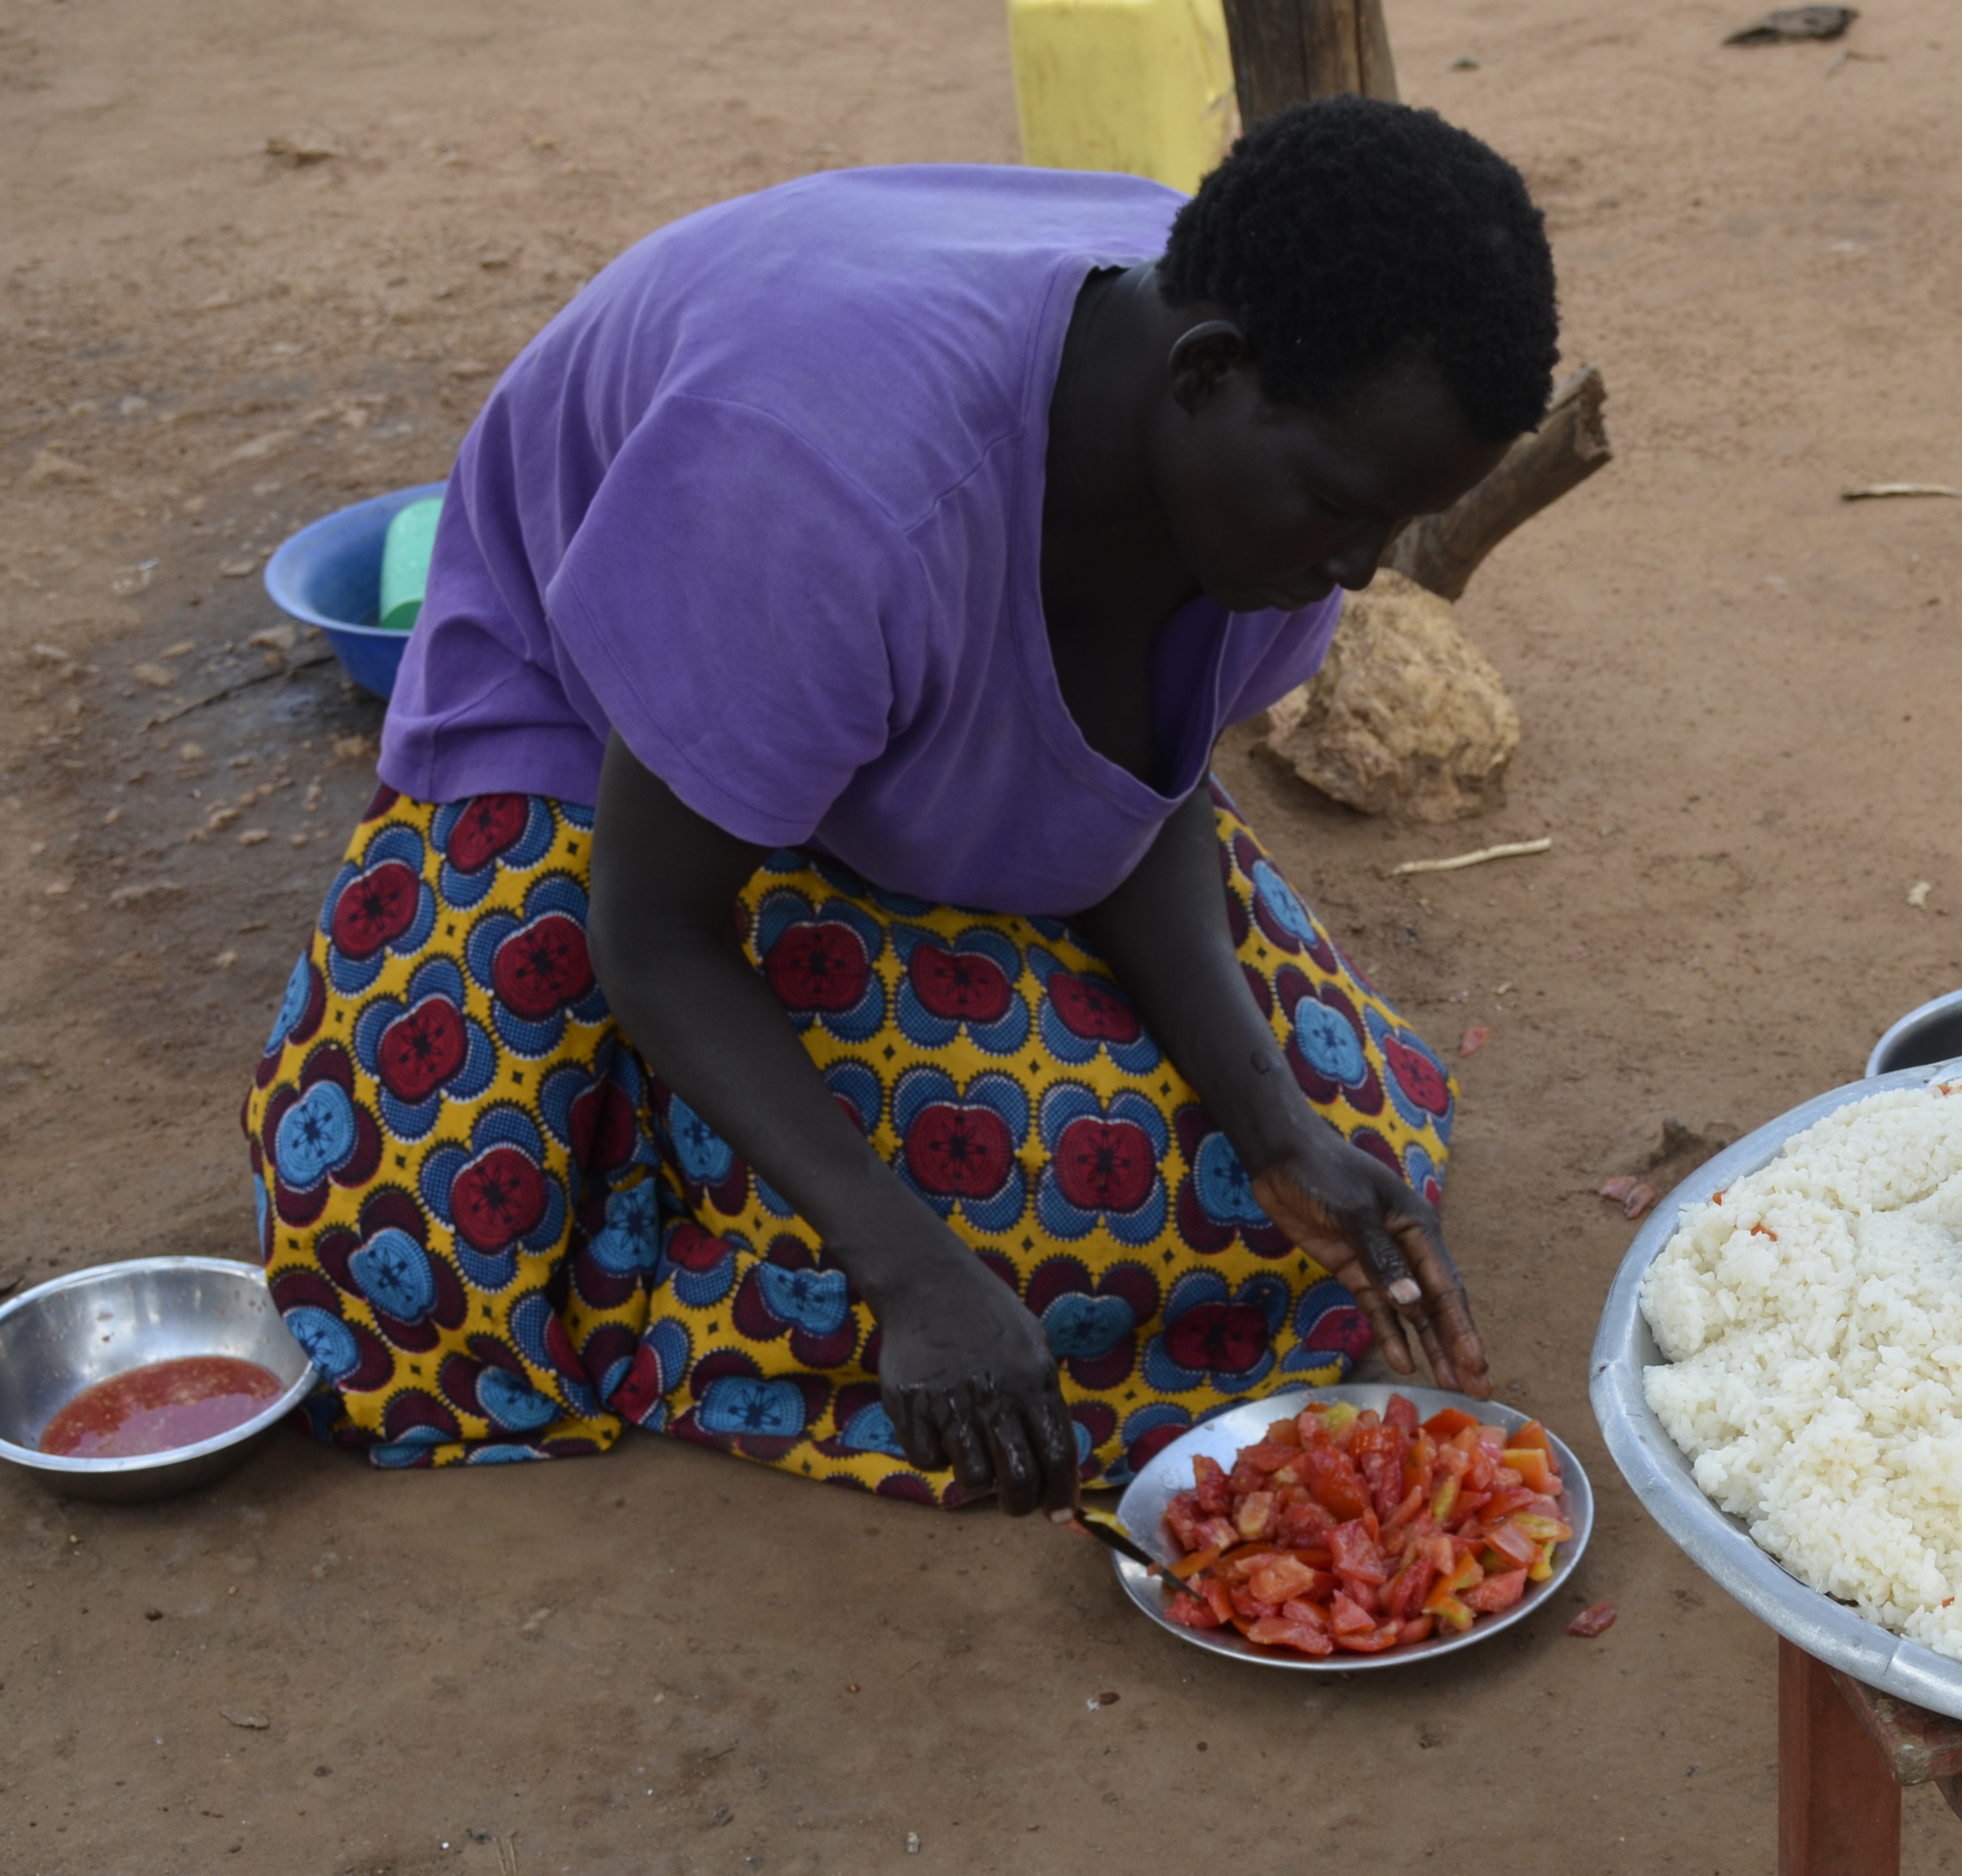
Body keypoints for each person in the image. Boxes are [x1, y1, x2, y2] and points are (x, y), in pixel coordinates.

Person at [243, 98, 1555, 1519]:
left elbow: (1143, 794)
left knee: (1311, 1170)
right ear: (1206, 376)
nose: (1360, 571)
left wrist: (1279, 1126)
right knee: (457, 1238)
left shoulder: (1252, 497)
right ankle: (671, 1205)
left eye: (1393, 527)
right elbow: (659, 929)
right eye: (1339, 508)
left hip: (860, 689)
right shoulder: (824, 490)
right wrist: (909, 1272)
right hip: (599, 733)